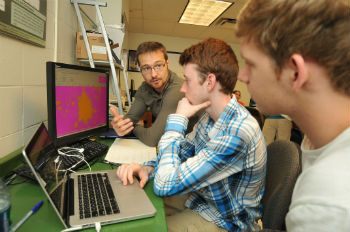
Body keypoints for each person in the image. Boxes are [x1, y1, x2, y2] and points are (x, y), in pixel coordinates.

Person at [116, 38, 267, 231]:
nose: (182, 88)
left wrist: (178, 120)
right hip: (201, 199)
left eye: (187, 80)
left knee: (145, 228)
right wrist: (147, 168)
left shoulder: (238, 132)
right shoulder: (209, 117)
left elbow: (164, 184)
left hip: (226, 221)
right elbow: (183, 152)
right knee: (135, 208)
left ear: (210, 82)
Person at [236, 0, 350, 231]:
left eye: (250, 63)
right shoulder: (318, 143)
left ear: (295, 72)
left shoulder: (328, 201)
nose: (242, 76)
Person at [110, 41, 196, 147]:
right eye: (146, 68)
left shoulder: (179, 89)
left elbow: (152, 139)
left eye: (158, 65)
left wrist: (133, 127)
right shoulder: (144, 89)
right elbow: (129, 120)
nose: (154, 74)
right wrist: (121, 126)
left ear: (167, 63)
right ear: (140, 69)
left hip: (192, 149)